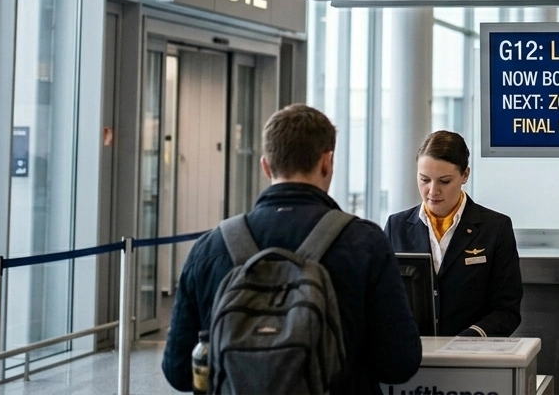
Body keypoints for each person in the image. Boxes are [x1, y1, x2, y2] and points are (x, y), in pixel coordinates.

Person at [162, 105, 421, 393]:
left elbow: (178, 370)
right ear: (327, 162)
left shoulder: (211, 247)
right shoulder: (364, 243)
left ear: (265, 166)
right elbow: (399, 362)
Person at [386, 130, 523, 337]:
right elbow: (383, 297)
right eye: (424, 179)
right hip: (412, 356)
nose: (432, 191)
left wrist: (470, 339)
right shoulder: (396, 226)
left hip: (471, 358)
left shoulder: (495, 228)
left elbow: (507, 310)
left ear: (465, 175)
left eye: (444, 181)